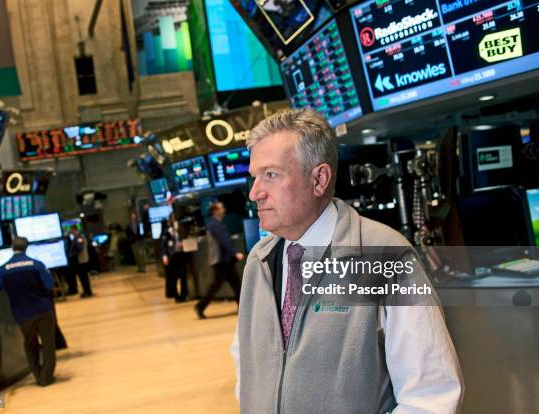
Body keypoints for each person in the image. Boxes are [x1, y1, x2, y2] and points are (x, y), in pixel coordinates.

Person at [232, 109, 463, 412]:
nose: (255, 193)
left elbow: (432, 395)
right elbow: (246, 364)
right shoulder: (259, 262)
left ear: (319, 179)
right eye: (255, 177)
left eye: (271, 175)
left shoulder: (384, 254)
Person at [0, 237, 57, 387]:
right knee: (48, 343)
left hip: (23, 313)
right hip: (43, 310)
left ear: (13, 248)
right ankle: (46, 377)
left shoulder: (4, 268)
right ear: (26, 248)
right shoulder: (37, 265)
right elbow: (49, 284)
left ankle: (37, 376)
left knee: (30, 345)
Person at [195, 202, 244, 319]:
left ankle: (243, 308)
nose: (224, 210)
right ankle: (200, 306)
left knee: (236, 284)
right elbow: (223, 240)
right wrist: (235, 252)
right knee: (217, 285)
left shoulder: (215, 223)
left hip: (225, 260)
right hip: (221, 260)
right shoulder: (214, 224)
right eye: (221, 208)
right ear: (215, 211)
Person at [160, 213, 188, 302]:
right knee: (174, 277)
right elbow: (163, 245)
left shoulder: (181, 231)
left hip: (181, 254)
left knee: (183, 275)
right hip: (172, 256)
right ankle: (176, 295)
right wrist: (164, 256)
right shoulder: (167, 231)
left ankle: (184, 294)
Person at [67, 226, 93, 298]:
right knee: (83, 277)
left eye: (71, 230)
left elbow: (79, 248)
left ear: (74, 229)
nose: (70, 232)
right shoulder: (78, 236)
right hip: (81, 260)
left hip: (81, 260)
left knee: (83, 277)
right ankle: (86, 291)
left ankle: (87, 292)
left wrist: (72, 255)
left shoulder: (79, 237)